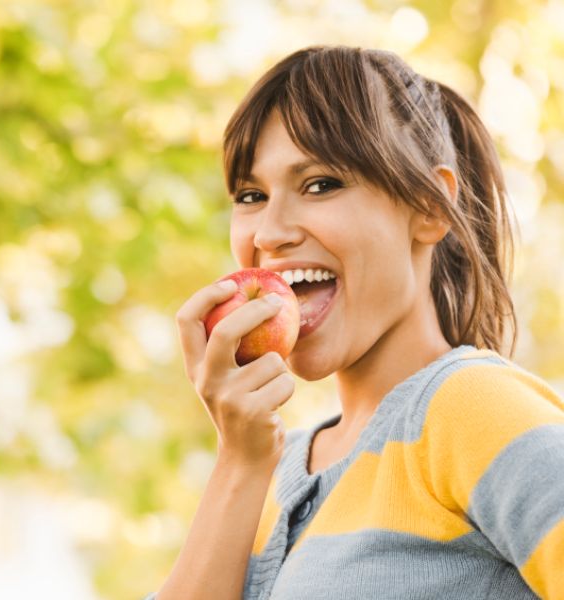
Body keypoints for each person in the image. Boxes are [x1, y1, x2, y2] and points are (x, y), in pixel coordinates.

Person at [144, 45, 564, 599]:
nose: (269, 233)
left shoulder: (470, 408)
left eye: (320, 184)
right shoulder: (269, 471)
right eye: (251, 195)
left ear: (431, 206)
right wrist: (239, 464)